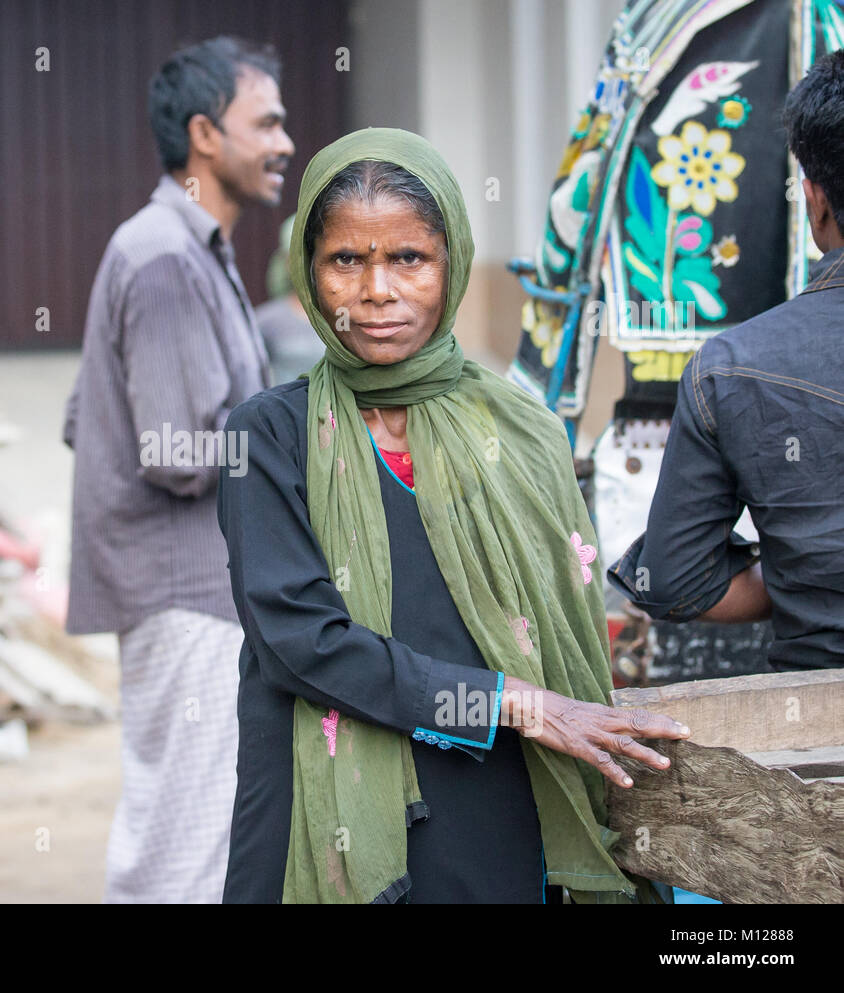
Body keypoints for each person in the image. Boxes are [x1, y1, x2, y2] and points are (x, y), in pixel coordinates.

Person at [217, 128, 689, 904]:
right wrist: (515, 703)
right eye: (345, 260)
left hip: (496, 798)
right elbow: (301, 645)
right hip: (327, 809)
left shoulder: (522, 428)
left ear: (452, 263)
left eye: (408, 258)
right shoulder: (268, 435)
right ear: (309, 273)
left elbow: (563, 630)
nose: (376, 290)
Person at [61, 36, 293, 903]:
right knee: (183, 847)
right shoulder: (163, 256)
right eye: (264, 122)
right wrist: (298, 442)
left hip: (192, 586)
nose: (284, 142)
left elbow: (89, 415)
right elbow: (172, 451)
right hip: (181, 589)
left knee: (196, 827)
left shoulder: (191, 247)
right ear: (205, 134)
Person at [608, 51, 844, 671]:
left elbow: (673, 579)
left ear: (815, 199)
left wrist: (798, 577)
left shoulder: (733, 366)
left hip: (812, 730)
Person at [255, 214, 325, 384]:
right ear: (286, 261)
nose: (307, 263)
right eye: (298, 256)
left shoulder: (344, 317)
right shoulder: (265, 320)